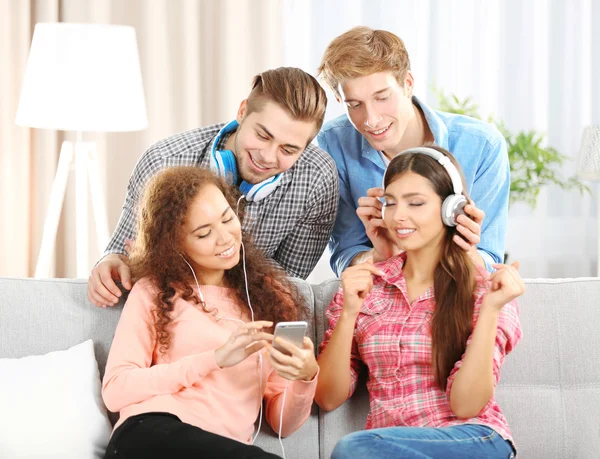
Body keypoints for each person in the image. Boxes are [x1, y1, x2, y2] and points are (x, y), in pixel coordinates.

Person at [315, 146, 523, 459]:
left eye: (416, 203)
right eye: (391, 202)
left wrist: (491, 309)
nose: (399, 216)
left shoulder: (484, 290)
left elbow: (466, 405)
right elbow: (327, 398)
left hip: (472, 440)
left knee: (353, 449)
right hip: (389, 450)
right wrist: (348, 314)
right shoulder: (365, 285)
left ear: (451, 209)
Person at [102, 166, 319, 459]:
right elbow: (116, 391)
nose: (226, 238)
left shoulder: (272, 298)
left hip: (224, 447)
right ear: (174, 246)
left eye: (228, 218)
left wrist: (305, 378)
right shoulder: (153, 291)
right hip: (149, 433)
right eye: (204, 234)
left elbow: (283, 425)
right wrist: (215, 359)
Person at [89, 67, 339, 308]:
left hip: (248, 311)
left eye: (288, 149)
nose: (268, 157)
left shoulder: (317, 177)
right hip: (169, 306)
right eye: (263, 136)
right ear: (242, 112)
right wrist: (112, 262)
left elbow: (286, 286)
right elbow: (123, 251)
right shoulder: (163, 161)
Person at [317, 26, 508, 276]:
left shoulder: (482, 145)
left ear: (407, 84)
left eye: (382, 97)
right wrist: (379, 255)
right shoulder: (334, 142)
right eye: (355, 105)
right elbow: (346, 253)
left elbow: (489, 260)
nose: (371, 119)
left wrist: (466, 254)